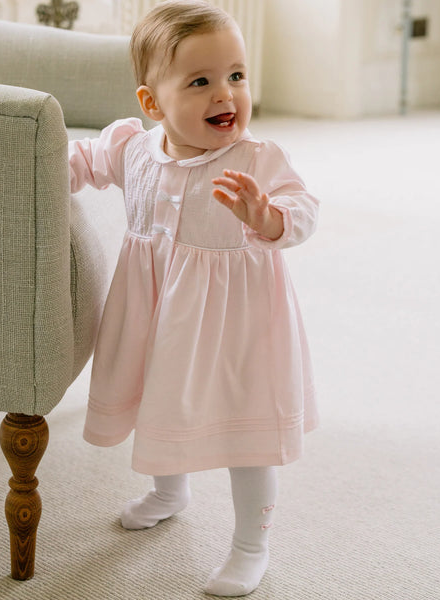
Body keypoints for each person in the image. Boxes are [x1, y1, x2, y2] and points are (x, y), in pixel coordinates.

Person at [69, 0, 319, 595]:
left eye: (236, 75)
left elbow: (304, 212)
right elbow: (76, 162)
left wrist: (268, 216)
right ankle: (167, 491)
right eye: (201, 81)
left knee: (247, 431)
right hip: (158, 315)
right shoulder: (133, 147)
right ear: (153, 104)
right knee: (164, 399)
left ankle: (250, 546)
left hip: (238, 329)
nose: (225, 95)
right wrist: (25, 167)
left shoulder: (258, 158)